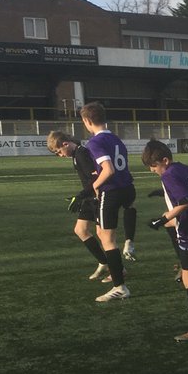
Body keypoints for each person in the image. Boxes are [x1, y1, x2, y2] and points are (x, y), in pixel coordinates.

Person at [141, 140, 188, 342]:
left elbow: (185, 201)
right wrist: (165, 196)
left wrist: (161, 219)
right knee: (170, 225)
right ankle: (183, 262)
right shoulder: (183, 168)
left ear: (165, 160)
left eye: (154, 166)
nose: (153, 170)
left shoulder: (169, 174)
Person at [81, 102, 137, 302]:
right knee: (103, 232)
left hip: (111, 191)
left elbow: (108, 169)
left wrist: (96, 185)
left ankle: (119, 286)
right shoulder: (116, 139)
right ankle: (129, 243)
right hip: (127, 188)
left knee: (108, 240)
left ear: (87, 121)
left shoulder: (94, 142)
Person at [47, 130, 111, 281]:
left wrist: (81, 195)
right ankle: (104, 262)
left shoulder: (82, 153)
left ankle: (118, 269)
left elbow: (94, 179)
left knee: (104, 236)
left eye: (59, 152)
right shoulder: (76, 154)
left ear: (65, 144)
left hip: (96, 197)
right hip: (88, 197)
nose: (60, 155)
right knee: (80, 230)